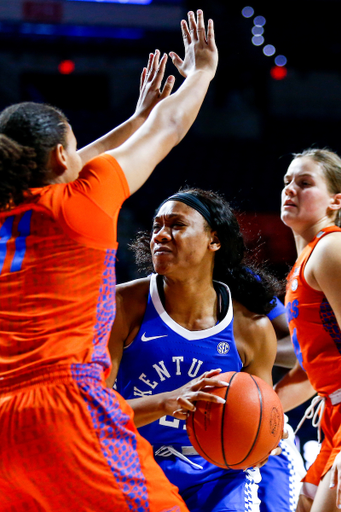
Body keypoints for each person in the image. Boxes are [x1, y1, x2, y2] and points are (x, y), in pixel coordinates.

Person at [0, 10, 218, 511]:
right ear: (60, 157)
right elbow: (170, 126)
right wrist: (201, 71)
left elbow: (79, 163)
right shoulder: (82, 208)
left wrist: (134, 119)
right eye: (74, 146)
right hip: (63, 409)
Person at [107, 187, 281, 512]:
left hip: (220, 474)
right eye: (157, 226)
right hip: (135, 466)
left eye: (176, 225)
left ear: (214, 239)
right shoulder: (122, 305)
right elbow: (91, 412)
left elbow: (262, 418)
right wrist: (164, 402)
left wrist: (264, 437)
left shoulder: (252, 328)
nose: (161, 234)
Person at [275, 148, 341, 512]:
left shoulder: (332, 248)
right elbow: (309, 365)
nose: (290, 189)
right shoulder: (307, 259)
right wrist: (260, 413)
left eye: (304, 183)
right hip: (332, 418)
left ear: (336, 200)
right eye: (287, 181)